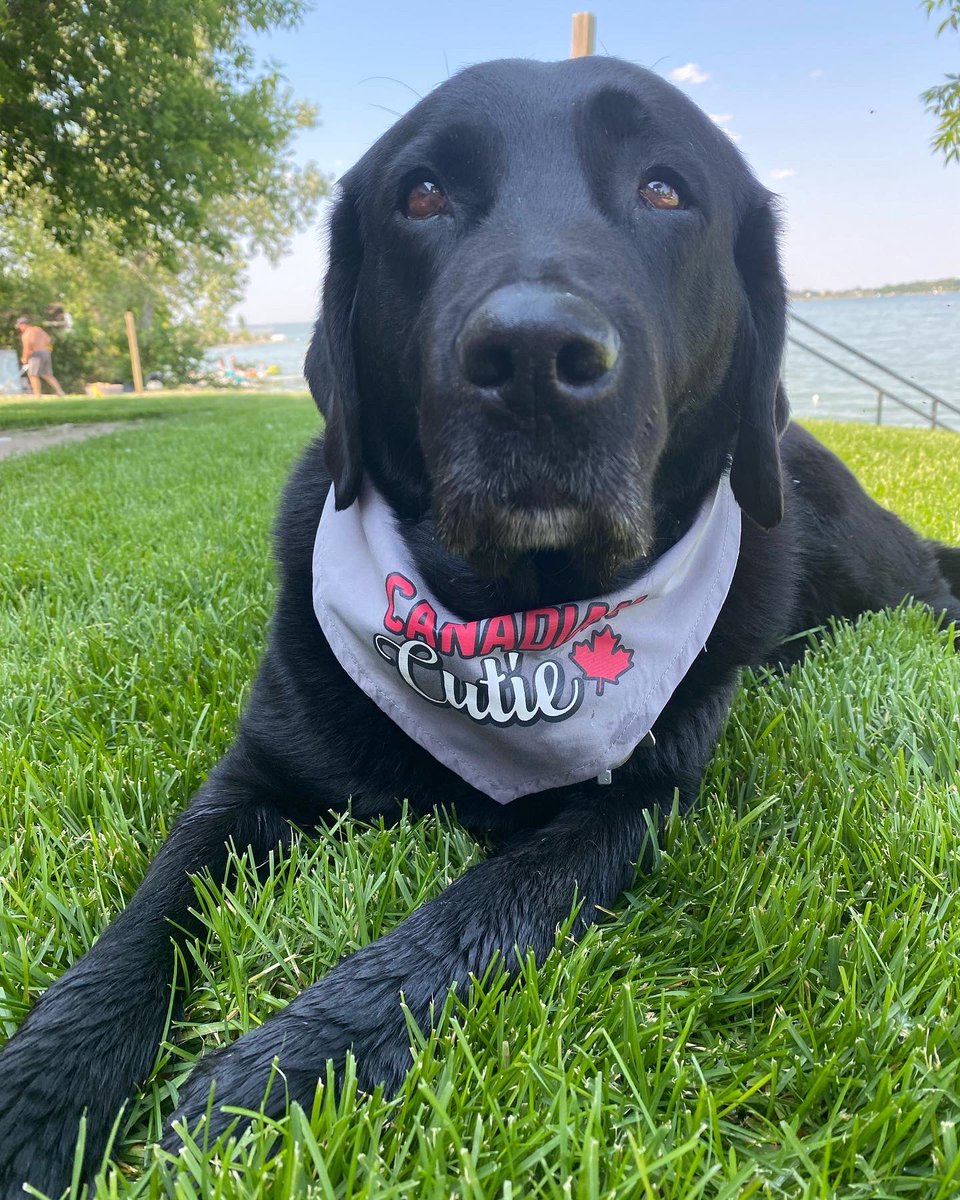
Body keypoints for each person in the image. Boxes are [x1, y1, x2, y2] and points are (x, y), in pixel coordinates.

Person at [15, 315, 66, 397]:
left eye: (20, 326)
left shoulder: (26, 334)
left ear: (24, 324)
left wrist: (25, 358)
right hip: (46, 353)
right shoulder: (38, 329)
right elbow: (48, 339)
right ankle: (61, 392)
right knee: (47, 374)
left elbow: (27, 348)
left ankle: (37, 395)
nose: (20, 328)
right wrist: (47, 349)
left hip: (36, 355)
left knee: (33, 375)